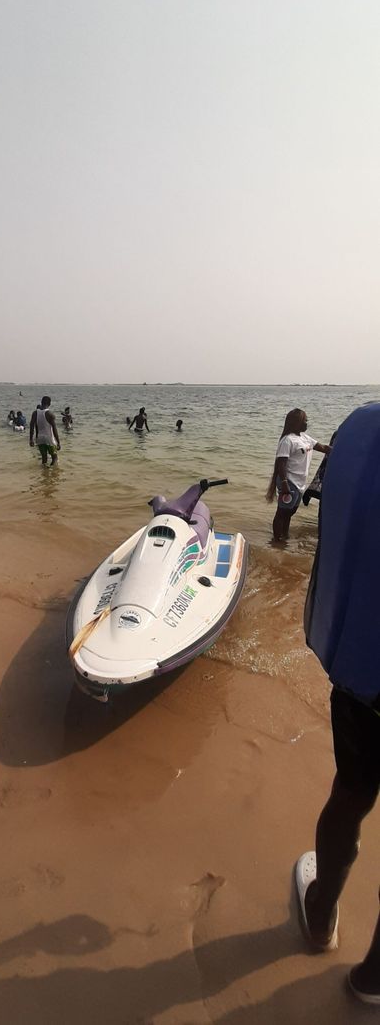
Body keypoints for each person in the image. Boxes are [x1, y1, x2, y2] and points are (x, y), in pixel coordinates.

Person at [295, 402, 380, 1003]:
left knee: (349, 795)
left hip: (366, 673)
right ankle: (375, 976)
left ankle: (322, 913)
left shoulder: (360, 428)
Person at [266, 409, 331, 541]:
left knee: (291, 511)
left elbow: (323, 448)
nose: (307, 423)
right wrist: (284, 483)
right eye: (305, 421)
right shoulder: (287, 440)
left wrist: (343, 447)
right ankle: (277, 541)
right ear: (296, 422)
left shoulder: (305, 438)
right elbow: (281, 464)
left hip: (300, 482)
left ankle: (285, 535)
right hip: (289, 481)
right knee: (282, 512)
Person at [29, 396, 61, 465]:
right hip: (49, 439)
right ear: (49, 403)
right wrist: (58, 442)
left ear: (41, 402)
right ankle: (52, 471)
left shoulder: (35, 413)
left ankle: (44, 473)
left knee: (44, 458)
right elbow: (54, 429)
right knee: (54, 458)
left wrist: (31, 439)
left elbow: (31, 426)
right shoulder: (50, 414)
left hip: (40, 438)